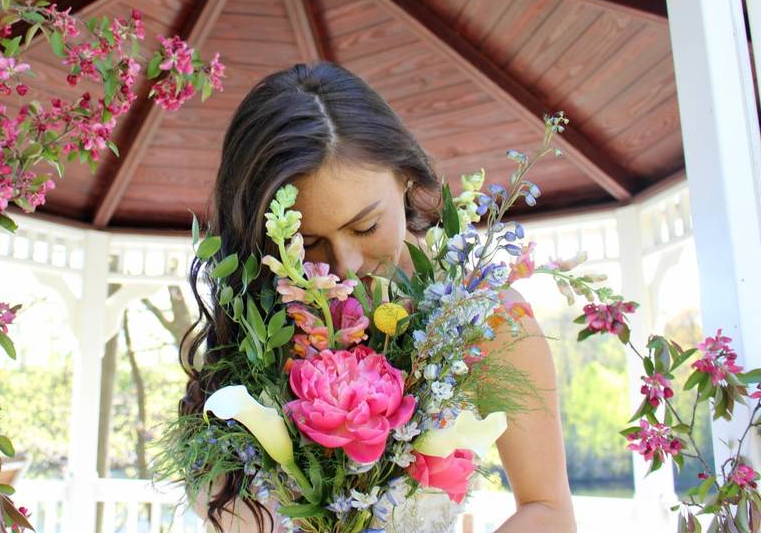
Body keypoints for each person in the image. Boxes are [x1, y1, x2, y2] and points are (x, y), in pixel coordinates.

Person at [179, 62, 576, 533]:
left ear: (406, 177)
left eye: (365, 226)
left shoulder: (485, 321)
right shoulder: (259, 325)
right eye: (308, 244)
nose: (346, 265)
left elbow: (549, 512)